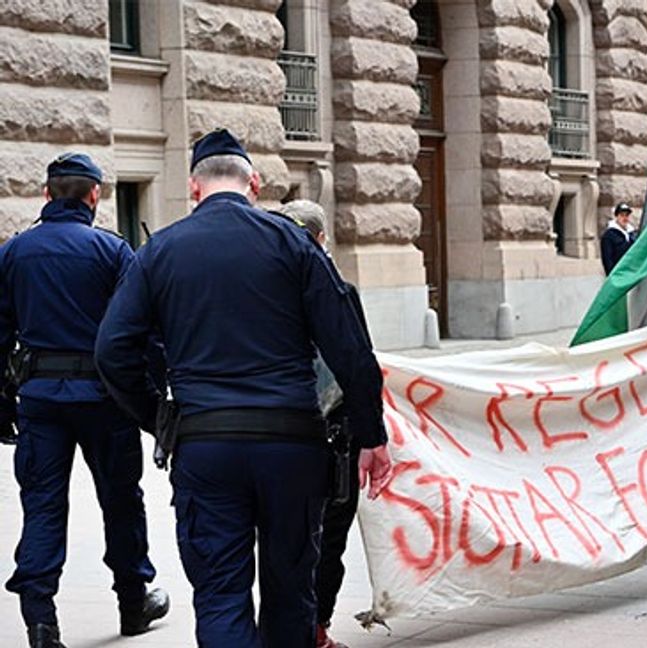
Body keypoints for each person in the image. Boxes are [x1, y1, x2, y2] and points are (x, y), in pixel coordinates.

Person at [94, 130, 393, 648]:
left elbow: (112, 350)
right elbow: (350, 349)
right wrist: (372, 434)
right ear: (253, 182)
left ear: (194, 187)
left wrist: (160, 417)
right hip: (291, 443)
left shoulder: (159, 251)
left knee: (220, 593)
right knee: (291, 592)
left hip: (206, 445)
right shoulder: (295, 245)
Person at [0, 153, 168, 648]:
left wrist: (2, 405)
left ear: (46, 194)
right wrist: (152, 402)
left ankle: (40, 620)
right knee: (121, 500)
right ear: (95, 195)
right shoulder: (112, 251)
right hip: (104, 399)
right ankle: (133, 604)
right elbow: (143, 333)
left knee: (42, 506)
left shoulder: (14, 253)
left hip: (40, 398)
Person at [276, 199, 365, 648]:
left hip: (274, 430)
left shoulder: (261, 291)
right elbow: (358, 362)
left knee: (282, 538)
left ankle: (289, 628)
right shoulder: (337, 289)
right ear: (322, 238)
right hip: (329, 434)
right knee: (328, 536)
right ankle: (314, 629)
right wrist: (372, 434)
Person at [600, 202, 636, 274]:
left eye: (627, 215)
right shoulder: (609, 236)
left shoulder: (632, 234)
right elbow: (607, 259)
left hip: (631, 273)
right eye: (622, 215)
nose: (624, 218)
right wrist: (612, 276)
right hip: (618, 274)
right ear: (616, 216)